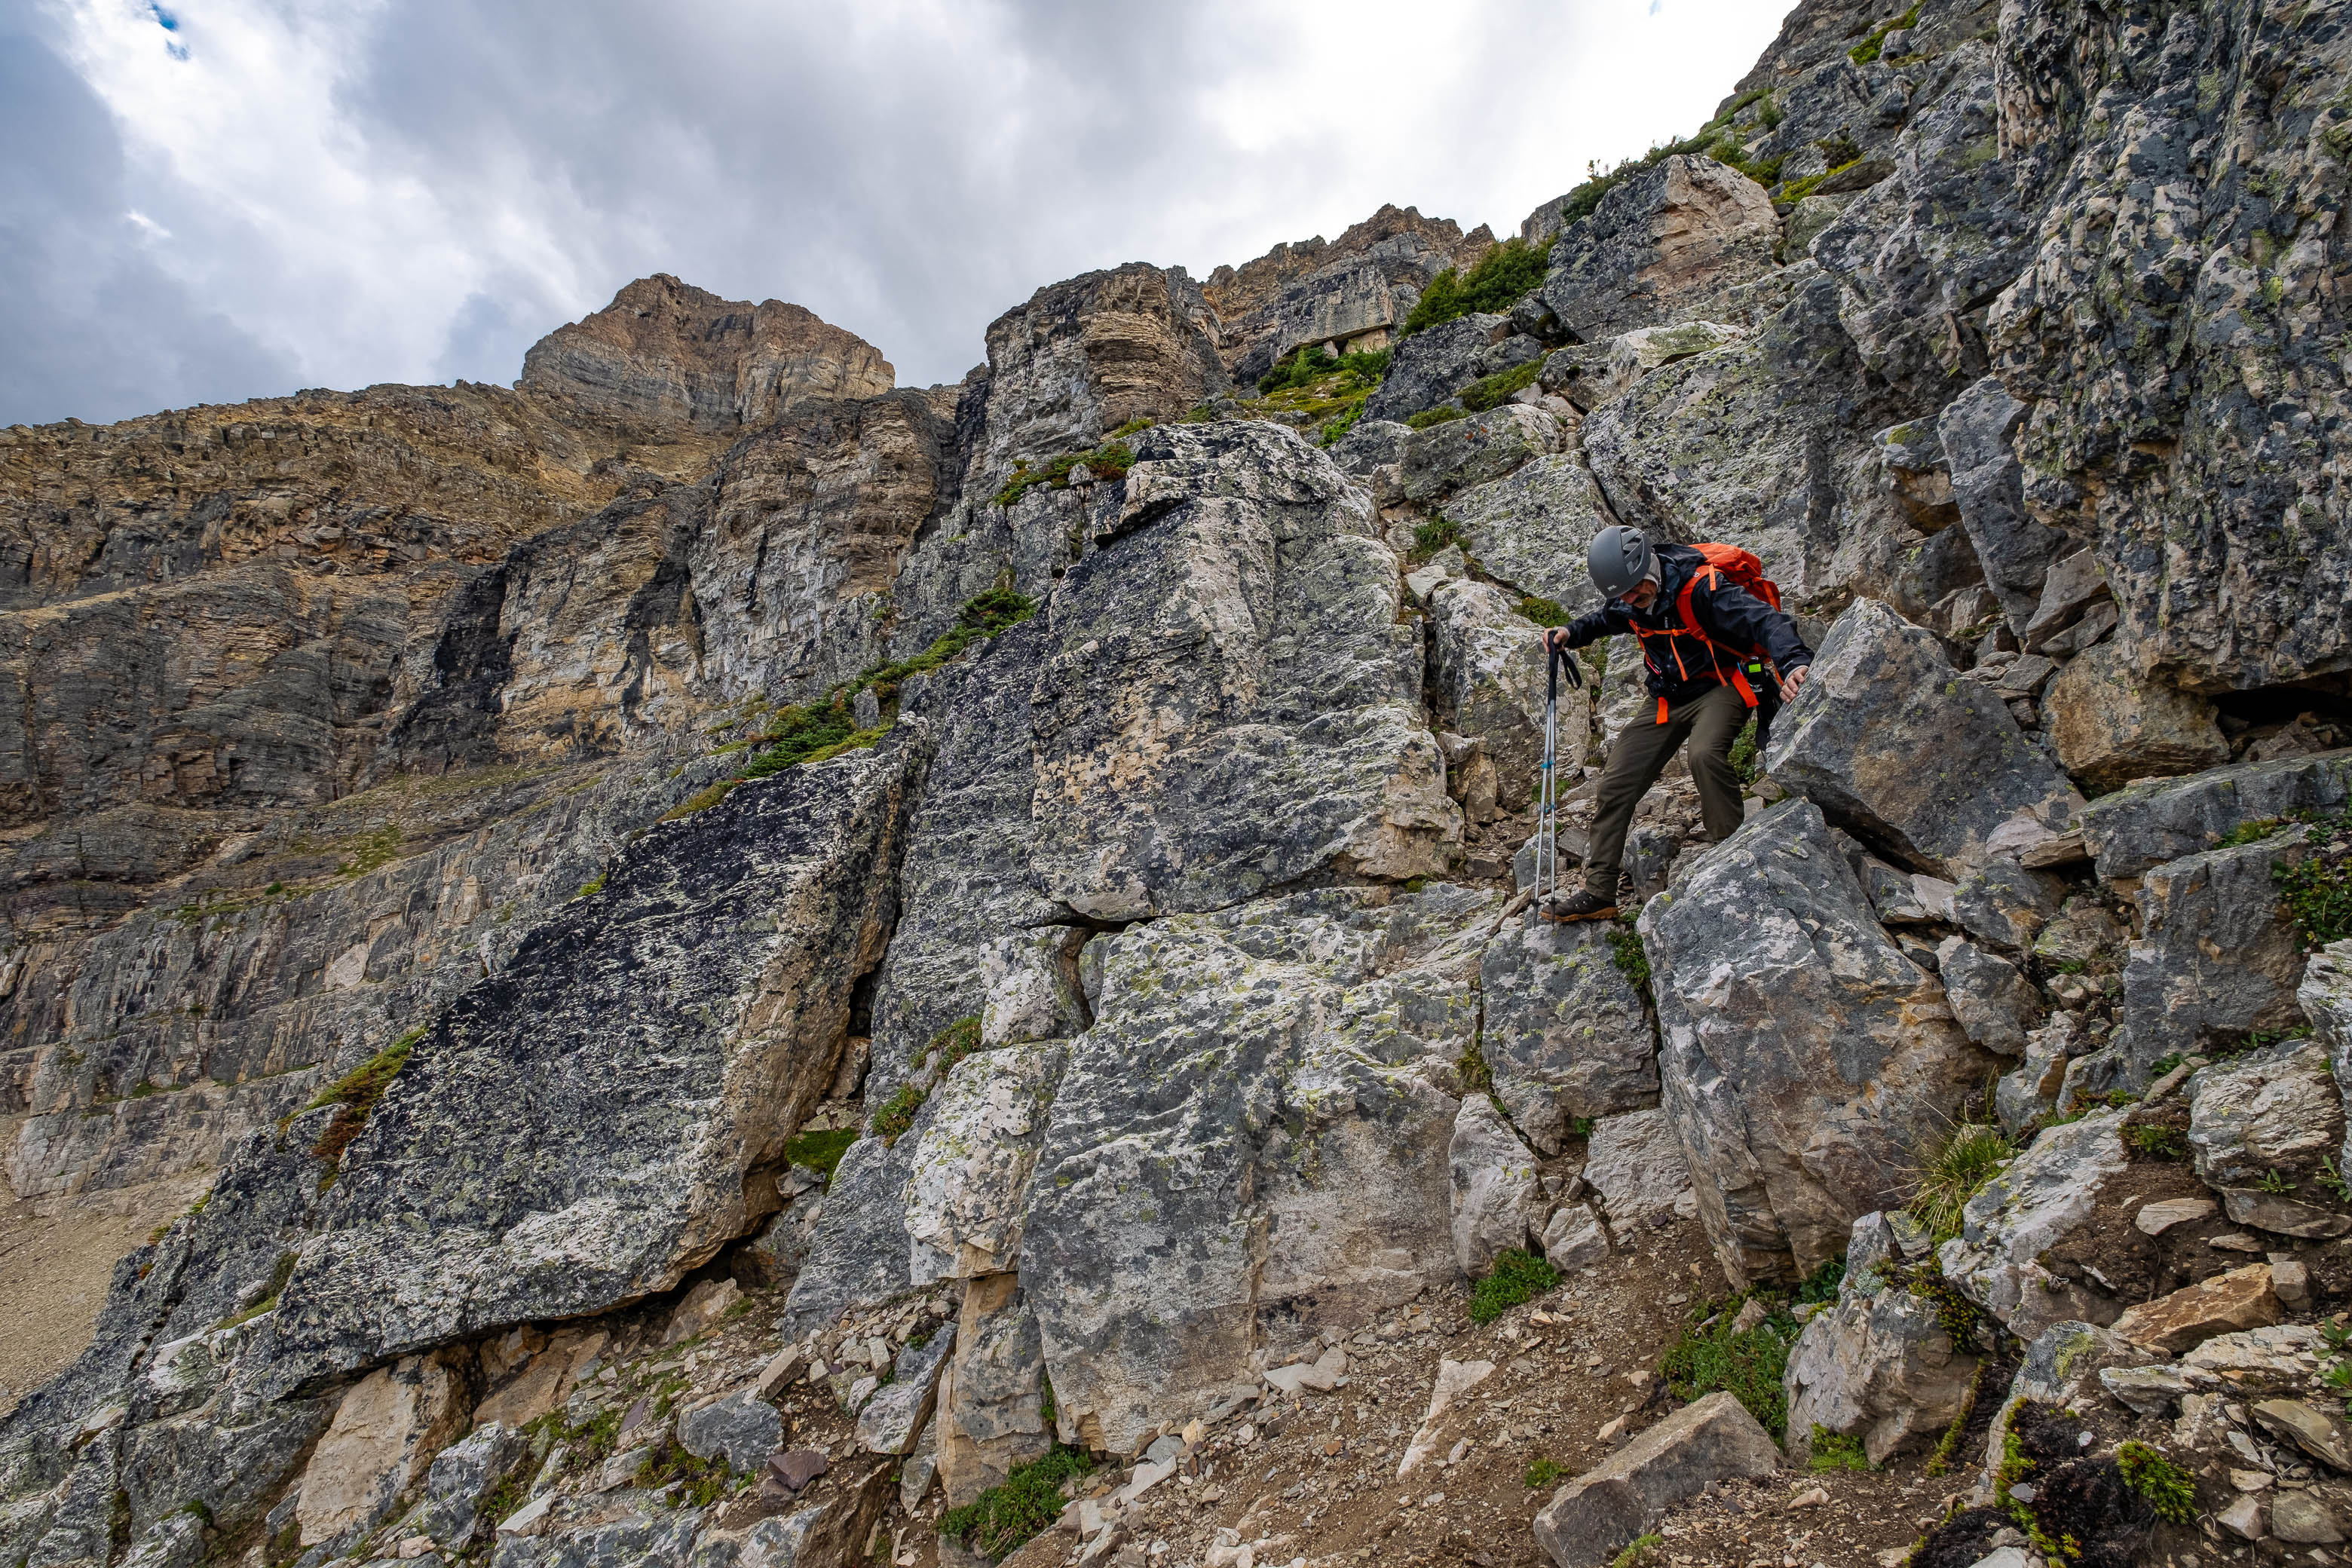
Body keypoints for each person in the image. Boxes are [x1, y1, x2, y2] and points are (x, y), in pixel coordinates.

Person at [1537, 525, 1813, 923]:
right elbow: (1603, 620)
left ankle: (1731, 858)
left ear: (1649, 567)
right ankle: (1599, 892)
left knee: (1704, 754)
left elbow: (1766, 622)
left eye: (1635, 591)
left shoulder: (1703, 589)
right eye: (1622, 595)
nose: (1630, 600)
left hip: (1722, 686)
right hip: (1667, 698)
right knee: (1616, 781)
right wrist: (1569, 632)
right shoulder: (1628, 601)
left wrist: (1794, 663)